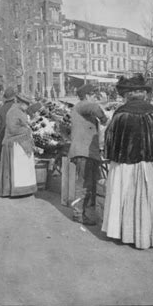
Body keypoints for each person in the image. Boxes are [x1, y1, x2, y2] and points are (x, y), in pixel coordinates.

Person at [102, 74, 153, 249]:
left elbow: (109, 138)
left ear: (127, 95)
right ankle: (147, 235)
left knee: (122, 194)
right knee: (147, 196)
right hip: (147, 163)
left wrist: (111, 155)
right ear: (143, 94)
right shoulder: (152, 112)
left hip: (124, 163)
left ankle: (123, 232)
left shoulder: (120, 113)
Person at [68, 83, 109, 226]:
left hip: (88, 152)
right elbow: (95, 108)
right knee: (84, 183)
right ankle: (78, 214)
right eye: (92, 95)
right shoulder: (82, 105)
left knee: (89, 183)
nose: (94, 98)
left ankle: (83, 211)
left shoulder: (81, 108)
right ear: (86, 96)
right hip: (83, 152)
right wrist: (105, 119)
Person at [0, 93, 38, 197]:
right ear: (21, 103)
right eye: (26, 104)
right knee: (18, 170)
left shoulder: (19, 110)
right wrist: (27, 129)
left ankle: (25, 189)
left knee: (22, 169)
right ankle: (18, 191)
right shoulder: (14, 112)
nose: (27, 106)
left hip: (20, 142)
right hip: (15, 144)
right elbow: (12, 129)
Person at [0, 87, 17, 179]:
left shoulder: (0, 110)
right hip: (18, 138)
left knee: (4, 161)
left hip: (4, 138)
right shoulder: (18, 108)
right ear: (14, 97)